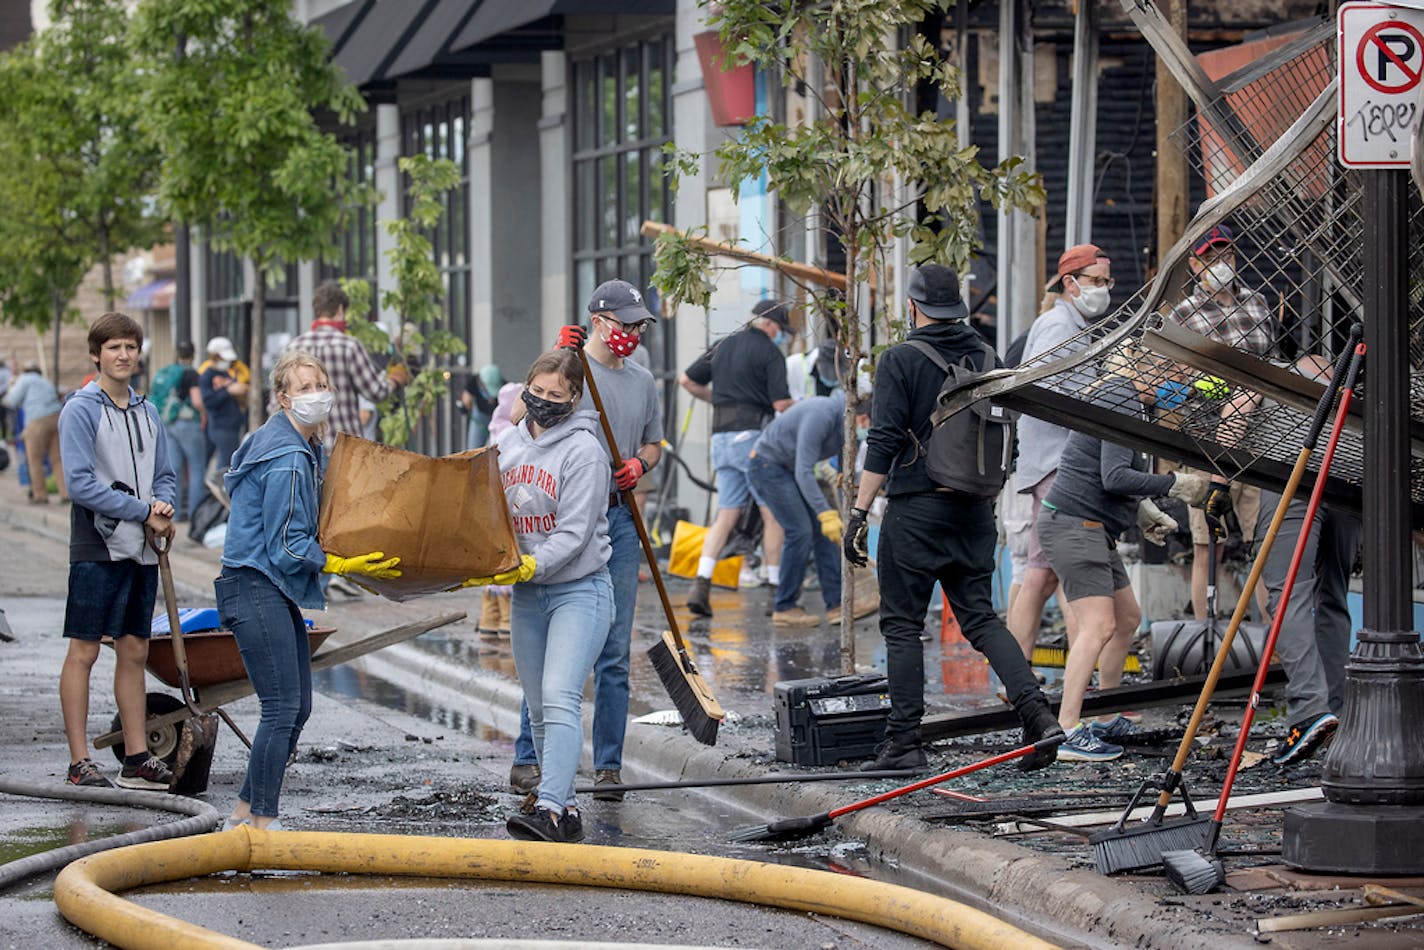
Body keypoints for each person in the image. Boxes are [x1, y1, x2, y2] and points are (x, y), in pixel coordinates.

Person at [844, 264, 1062, 772]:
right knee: (981, 619)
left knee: (901, 626)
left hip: (917, 510)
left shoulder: (899, 359)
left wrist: (858, 512)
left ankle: (903, 743)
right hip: (973, 510)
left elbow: (884, 440)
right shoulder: (986, 354)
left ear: (913, 306)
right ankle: (1038, 716)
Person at [215, 351, 402, 831]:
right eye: (303, 387)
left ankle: (242, 814)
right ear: (283, 399)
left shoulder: (303, 445)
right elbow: (285, 547)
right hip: (254, 583)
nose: (316, 393)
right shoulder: (289, 459)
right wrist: (338, 564)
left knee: (298, 706)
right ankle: (263, 820)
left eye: (320, 383)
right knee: (281, 707)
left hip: (265, 587)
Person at [507, 280, 663, 804]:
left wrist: (640, 463)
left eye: (639, 325)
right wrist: (555, 358)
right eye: (625, 324)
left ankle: (609, 767)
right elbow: (518, 421)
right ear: (599, 322)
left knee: (613, 647)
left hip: (617, 517)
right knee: (545, 660)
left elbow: (655, 442)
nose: (633, 333)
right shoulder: (571, 371)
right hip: (555, 519)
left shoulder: (642, 381)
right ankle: (530, 761)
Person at [1035, 351, 1210, 760]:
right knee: (1097, 626)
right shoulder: (1121, 399)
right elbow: (1113, 477)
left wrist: (1141, 510)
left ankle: (1103, 713)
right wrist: (1173, 485)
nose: (1179, 385)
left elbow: (1103, 473)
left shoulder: (1131, 404)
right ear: (1150, 367)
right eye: (1175, 372)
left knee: (1128, 617)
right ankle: (1066, 729)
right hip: (1076, 526)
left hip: (1090, 527)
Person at [474, 347, 612, 843]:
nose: (545, 401)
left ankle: (550, 808)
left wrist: (531, 563)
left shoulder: (585, 453)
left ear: (574, 399)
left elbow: (574, 534)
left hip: (580, 589)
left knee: (559, 696)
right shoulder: (508, 445)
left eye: (557, 395)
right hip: (529, 595)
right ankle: (567, 807)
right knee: (536, 707)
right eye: (537, 392)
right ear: (524, 390)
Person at [56, 312, 178, 789]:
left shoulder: (148, 412)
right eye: (114, 348)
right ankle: (79, 760)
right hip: (98, 546)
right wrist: (142, 510)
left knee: (134, 649)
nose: (124, 355)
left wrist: (164, 507)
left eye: (130, 346)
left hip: (143, 550)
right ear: (96, 354)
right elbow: (80, 484)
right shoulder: (81, 409)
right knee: (85, 650)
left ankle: (137, 755)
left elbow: (163, 473)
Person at [1006, 244, 1115, 665]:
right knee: (1060, 576)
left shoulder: (1074, 324)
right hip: (1057, 464)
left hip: (1054, 463)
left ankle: (1018, 678)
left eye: (1107, 282)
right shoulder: (1059, 327)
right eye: (1095, 281)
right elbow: (1041, 389)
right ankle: (1039, 682)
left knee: (1041, 574)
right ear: (1070, 283)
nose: (1103, 290)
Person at [1167, 224, 1277, 622]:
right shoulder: (1182, 315)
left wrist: (1250, 393)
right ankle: (1203, 635)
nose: (1220, 264)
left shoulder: (1258, 303)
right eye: (1211, 257)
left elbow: (1270, 364)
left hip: (1259, 442)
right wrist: (1229, 391)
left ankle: (1273, 641)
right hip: (1207, 442)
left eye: (1225, 255)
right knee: (1205, 545)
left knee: (1262, 543)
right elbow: (1179, 382)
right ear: (1195, 264)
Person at [678, 299, 795, 615]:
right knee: (772, 513)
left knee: (726, 515)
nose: (782, 336)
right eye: (782, 330)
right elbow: (781, 404)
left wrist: (719, 399)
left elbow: (687, 380)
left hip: (721, 438)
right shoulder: (771, 353)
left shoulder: (723, 344)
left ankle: (701, 583)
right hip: (752, 439)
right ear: (771, 325)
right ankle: (774, 591)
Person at [748, 389, 869, 626]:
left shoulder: (845, 424)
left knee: (823, 535)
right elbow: (803, 470)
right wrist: (824, 512)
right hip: (767, 466)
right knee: (800, 531)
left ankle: (836, 605)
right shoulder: (821, 415)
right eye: (866, 423)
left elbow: (836, 460)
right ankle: (784, 606)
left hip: (788, 469)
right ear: (862, 417)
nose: (865, 429)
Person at [283, 282, 411, 452]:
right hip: (344, 450)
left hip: (303, 448)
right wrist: (394, 379)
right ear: (340, 310)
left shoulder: (294, 347)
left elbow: (278, 402)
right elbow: (376, 391)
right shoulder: (349, 346)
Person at [151, 342, 207, 521]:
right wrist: (205, 412)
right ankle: (195, 515)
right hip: (187, 423)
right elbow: (197, 401)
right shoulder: (191, 373)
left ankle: (172, 514)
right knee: (197, 469)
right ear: (193, 354)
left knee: (174, 469)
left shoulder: (168, 371)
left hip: (169, 422)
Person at [4, 362, 66, 504]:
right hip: (55, 417)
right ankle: (65, 493)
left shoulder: (25, 379)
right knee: (57, 459)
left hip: (37, 420)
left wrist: (11, 386)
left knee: (35, 459)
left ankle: (40, 495)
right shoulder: (44, 380)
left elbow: (12, 400)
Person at [199, 336, 249, 474]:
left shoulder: (225, 373)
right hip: (221, 425)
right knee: (225, 466)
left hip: (232, 424)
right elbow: (208, 401)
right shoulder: (206, 376)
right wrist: (228, 391)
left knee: (228, 463)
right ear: (214, 357)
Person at [461, 364, 504, 450]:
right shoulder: (474, 382)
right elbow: (466, 399)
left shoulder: (504, 385)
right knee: (474, 448)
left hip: (499, 417)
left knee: (500, 447)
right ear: (481, 383)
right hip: (480, 416)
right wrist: (465, 408)